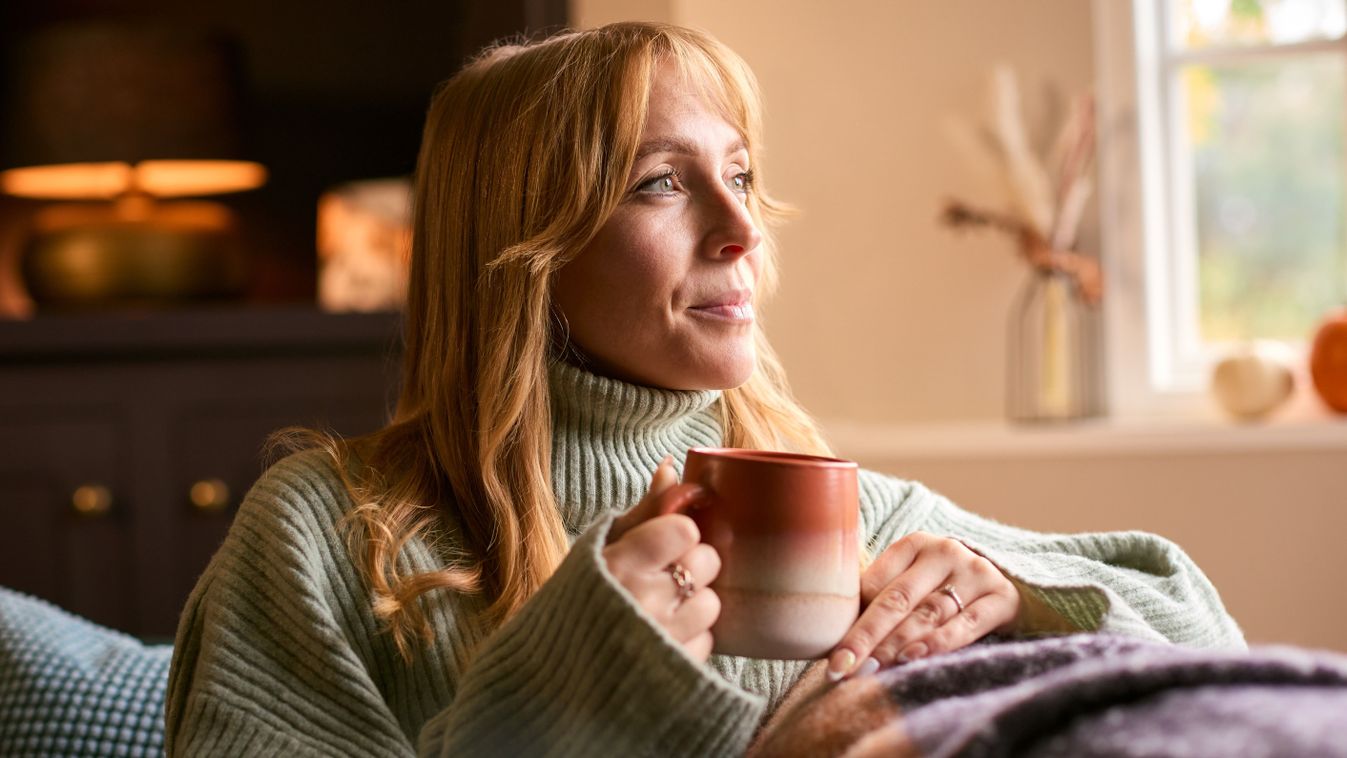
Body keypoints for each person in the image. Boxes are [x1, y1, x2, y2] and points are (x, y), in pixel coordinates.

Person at [164, 21, 1244, 757]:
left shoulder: (827, 505)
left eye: (739, 174)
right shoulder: (323, 535)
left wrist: (1010, 586)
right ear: (518, 251)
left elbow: (1212, 646)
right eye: (660, 183)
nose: (741, 231)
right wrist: (571, 678)